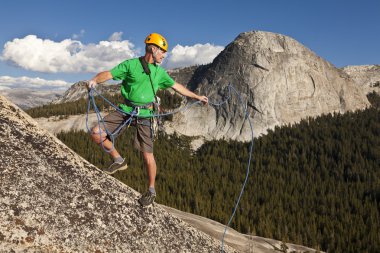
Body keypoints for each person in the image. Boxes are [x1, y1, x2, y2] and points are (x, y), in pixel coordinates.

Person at [88, 33, 208, 206]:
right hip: (127, 109)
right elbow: (109, 74)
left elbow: (177, 87)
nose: (164, 55)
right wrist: (94, 81)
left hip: (145, 114)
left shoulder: (159, 72)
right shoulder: (131, 65)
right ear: (153, 48)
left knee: (147, 155)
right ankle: (118, 160)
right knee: (96, 133)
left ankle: (151, 190)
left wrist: (197, 97)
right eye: (162, 51)